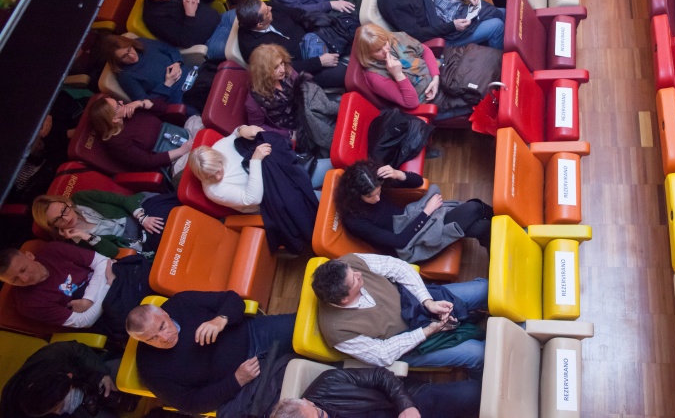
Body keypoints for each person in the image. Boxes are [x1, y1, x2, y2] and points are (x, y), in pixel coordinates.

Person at [126, 290, 298, 416]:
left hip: (253, 335)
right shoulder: (150, 369)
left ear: (164, 312)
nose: (163, 338)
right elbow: (191, 404)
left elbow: (232, 299)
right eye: (152, 338)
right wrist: (236, 380)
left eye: (162, 326)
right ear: (142, 341)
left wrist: (220, 319)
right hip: (237, 387)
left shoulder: (180, 302)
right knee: (291, 408)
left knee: (305, 330)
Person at [311, 253, 488, 373]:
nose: (359, 274)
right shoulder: (338, 331)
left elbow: (398, 267)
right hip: (410, 344)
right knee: (478, 353)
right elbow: (382, 354)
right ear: (344, 299)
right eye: (354, 279)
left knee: (484, 289)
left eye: (354, 272)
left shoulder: (349, 263)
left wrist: (427, 302)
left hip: (413, 302)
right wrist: (427, 331)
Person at [189, 125, 323, 251]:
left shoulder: (220, 148)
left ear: (219, 158)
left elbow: (235, 134)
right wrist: (255, 161)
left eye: (218, 171)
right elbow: (252, 199)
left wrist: (243, 129)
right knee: (324, 200)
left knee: (328, 170)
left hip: (279, 173)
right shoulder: (213, 191)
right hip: (271, 200)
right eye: (210, 177)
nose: (217, 177)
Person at [337, 161, 492, 262]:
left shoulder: (374, 182)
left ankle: (495, 242)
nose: (377, 198)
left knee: (482, 227)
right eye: (370, 196)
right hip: (407, 247)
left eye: (379, 192)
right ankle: (501, 215)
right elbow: (400, 241)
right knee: (473, 208)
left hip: (410, 218)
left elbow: (418, 181)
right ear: (355, 195)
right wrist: (427, 212)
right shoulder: (354, 220)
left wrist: (398, 174)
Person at [0, 243, 152, 339]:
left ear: (29, 256)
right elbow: (85, 321)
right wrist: (107, 284)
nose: (25, 278)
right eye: (15, 280)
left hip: (112, 282)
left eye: (23, 269)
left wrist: (88, 300)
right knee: (141, 317)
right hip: (106, 310)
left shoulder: (50, 250)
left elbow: (102, 261)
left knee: (146, 273)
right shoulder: (28, 304)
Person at [246, 44, 338, 161]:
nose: (282, 69)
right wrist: (288, 134)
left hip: (305, 108)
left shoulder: (287, 71)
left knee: (319, 114)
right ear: (263, 72)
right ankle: (336, 144)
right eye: (275, 68)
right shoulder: (253, 101)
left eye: (281, 63)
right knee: (321, 126)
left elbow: (304, 87)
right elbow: (258, 127)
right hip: (292, 129)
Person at [269, 368, 481, 418]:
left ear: (307, 401)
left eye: (320, 415)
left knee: (475, 395)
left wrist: (406, 406)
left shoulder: (329, 382)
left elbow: (380, 375)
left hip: (405, 402)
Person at [0, 340, 137, 418]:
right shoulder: (11, 411)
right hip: (76, 412)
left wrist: (100, 375)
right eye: (58, 407)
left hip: (87, 374)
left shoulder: (48, 358)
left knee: (135, 368)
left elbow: (76, 349)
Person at [236, 0, 347, 89]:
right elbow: (284, 69)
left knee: (348, 34)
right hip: (305, 66)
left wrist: (317, 28)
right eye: (267, 12)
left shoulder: (266, 7)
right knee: (343, 74)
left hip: (312, 39)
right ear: (260, 24)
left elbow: (296, 14)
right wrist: (319, 62)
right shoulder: (252, 48)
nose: (270, 8)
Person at [130, 0, 237, 61]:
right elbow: (185, 41)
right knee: (241, 44)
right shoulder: (153, 17)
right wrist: (189, 13)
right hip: (209, 41)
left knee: (248, 11)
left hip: (222, 19)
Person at [32, 190, 172, 257]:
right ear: (53, 226)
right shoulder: (73, 242)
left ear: (66, 203)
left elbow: (122, 200)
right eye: (57, 219)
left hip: (135, 210)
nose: (66, 218)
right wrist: (85, 237)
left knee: (168, 212)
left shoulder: (81, 198)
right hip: (134, 238)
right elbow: (113, 252)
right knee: (163, 234)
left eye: (64, 210)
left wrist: (142, 218)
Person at [86, 94, 195, 175]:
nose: (121, 102)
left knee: (196, 120)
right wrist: (181, 151)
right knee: (199, 157)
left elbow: (163, 107)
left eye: (118, 100)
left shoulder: (130, 111)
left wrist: (139, 103)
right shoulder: (117, 143)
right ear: (114, 119)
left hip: (177, 133)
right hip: (171, 158)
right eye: (118, 105)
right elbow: (148, 161)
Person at [353, 24, 446, 112]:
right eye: (378, 50)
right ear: (368, 54)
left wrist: (435, 77)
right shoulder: (375, 77)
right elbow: (412, 103)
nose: (386, 50)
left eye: (384, 43)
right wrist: (398, 74)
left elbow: (424, 51)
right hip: (430, 97)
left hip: (438, 73)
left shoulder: (396, 38)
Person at [101, 34, 203, 109]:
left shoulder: (141, 43)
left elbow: (170, 49)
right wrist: (167, 84)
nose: (131, 56)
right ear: (118, 61)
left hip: (190, 75)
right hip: (178, 96)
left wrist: (177, 63)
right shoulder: (126, 76)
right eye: (124, 57)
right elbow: (145, 102)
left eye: (129, 50)